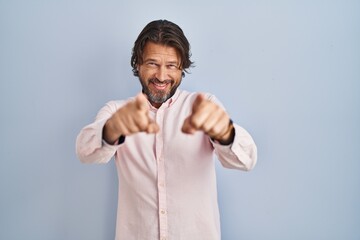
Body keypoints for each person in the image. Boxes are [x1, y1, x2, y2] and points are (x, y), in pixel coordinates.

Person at [76, 19, 257, 240]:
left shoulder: (203, 106)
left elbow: (246, 159)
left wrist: (226, 134)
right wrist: (113, 128)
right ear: (137, 65)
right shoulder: (117, 111)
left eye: (171, 66)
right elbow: (85, 152)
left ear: (182, 69)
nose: (161, 76)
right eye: (152, 63)